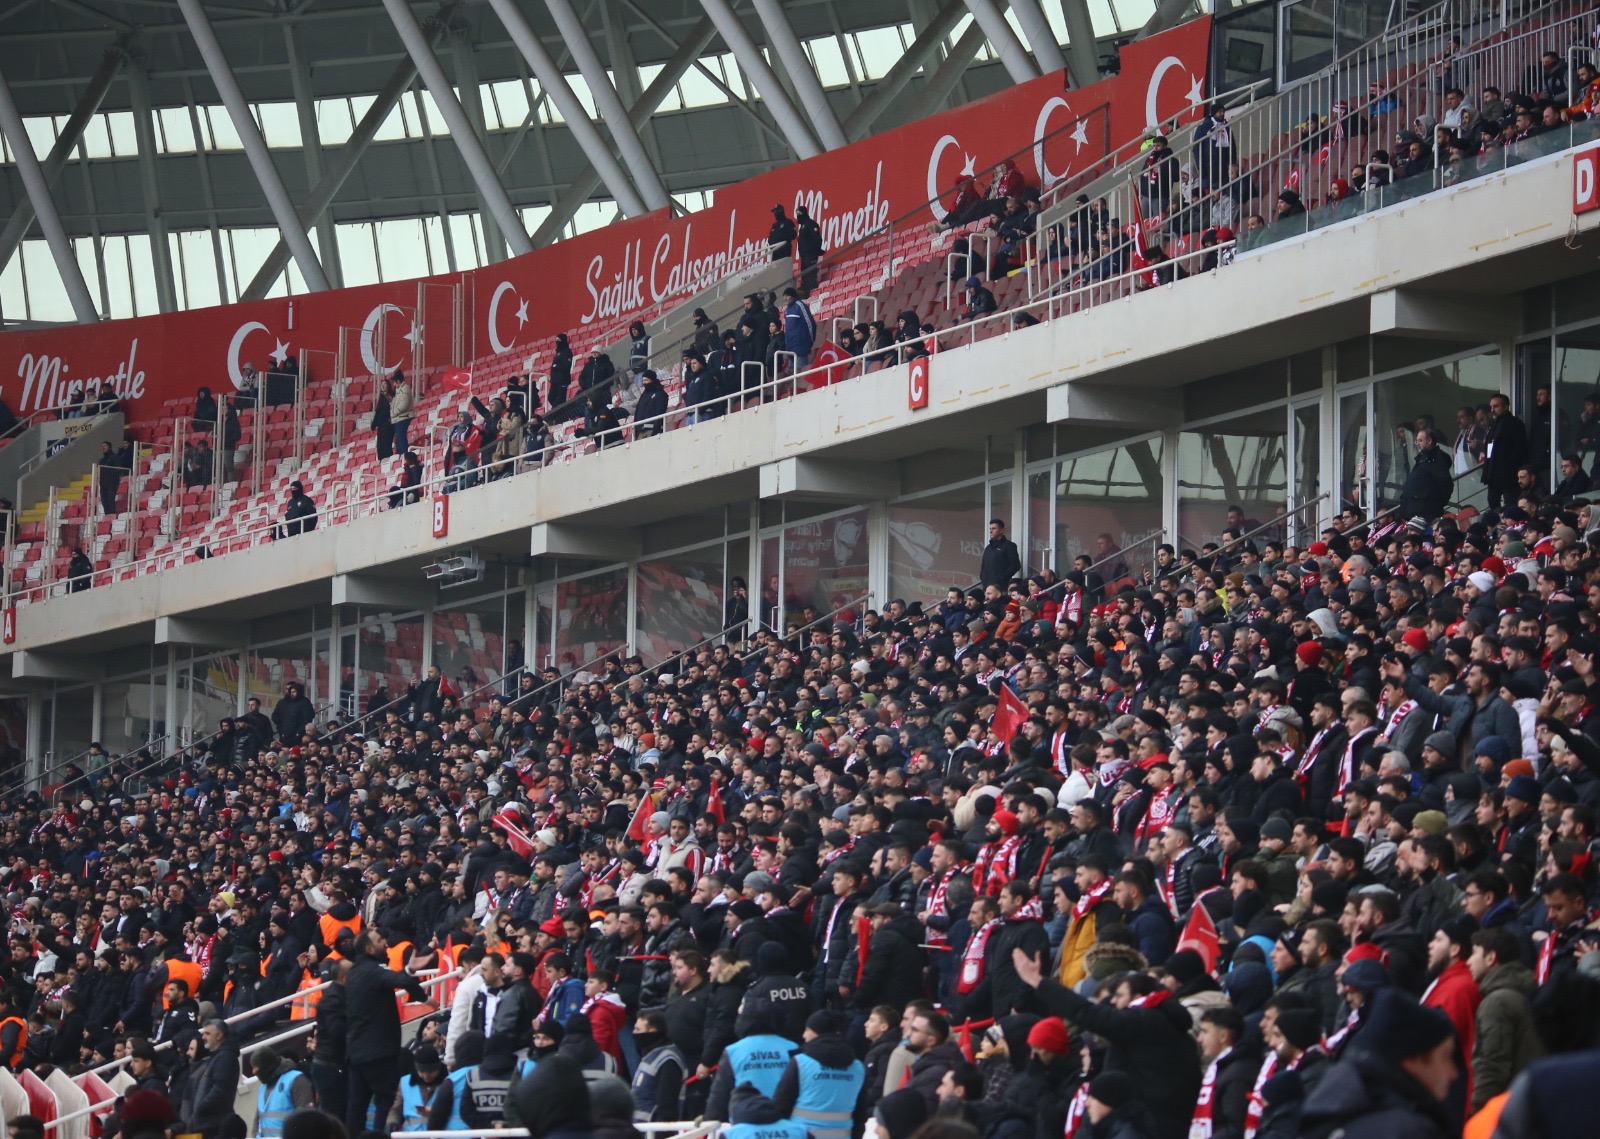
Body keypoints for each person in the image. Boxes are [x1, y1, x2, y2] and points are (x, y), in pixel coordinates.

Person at [343, 929, 431, 1137]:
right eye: (380, 940)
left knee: (356, 1106)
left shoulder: (354, 972)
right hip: (379, 1052)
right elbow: (404, 983)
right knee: (386, 1102)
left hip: (355, 1052)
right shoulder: (373, 970)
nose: (385, 943)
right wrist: (426, 999)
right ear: (369, 948)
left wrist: (408, 970)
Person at [253, 1046, 316, 1137]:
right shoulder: (263, 1087)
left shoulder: (296, 1079)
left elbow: (305, 1117)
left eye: (257, 1068)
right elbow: (258, 1119)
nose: (253, 1072)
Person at [980, 519, 1021, 588]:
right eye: (990, 529)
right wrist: (983, 579)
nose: (990, 531)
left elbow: (1015, 565)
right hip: (987, 588)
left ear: (1001, 530)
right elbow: (983, 565)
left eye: (994, 528)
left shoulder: (1009, 546)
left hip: (1001, 588)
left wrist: (1002, 578)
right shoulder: (988, 548)